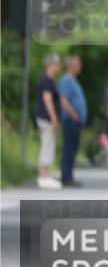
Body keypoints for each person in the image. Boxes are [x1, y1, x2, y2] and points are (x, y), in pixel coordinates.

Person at [57, 55, 86, 187]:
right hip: (70, 120)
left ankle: (69, 176)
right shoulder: (66, 81)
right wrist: (74, 114)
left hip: (76, 121)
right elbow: (63, 99)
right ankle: (66, 177)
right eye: (79, 64)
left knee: (72, 149)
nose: (80, 67)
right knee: (68, 149)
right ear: (72, 66)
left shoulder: (74, 81)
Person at [34, 53, 62, 189]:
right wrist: (54, 118)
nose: (59, 66)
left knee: (47, 145)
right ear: (51, 65)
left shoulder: (48, 80)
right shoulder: (47, 81)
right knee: (47, 145)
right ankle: (43, 176)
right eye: (57, 64)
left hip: (44, 117)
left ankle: (44, 175)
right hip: (46, 118)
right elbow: (47, 100)